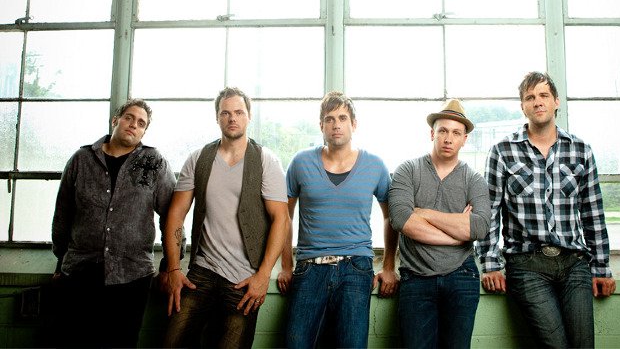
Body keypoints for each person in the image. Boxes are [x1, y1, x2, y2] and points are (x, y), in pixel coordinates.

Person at [477, 71, 616, 348]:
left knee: (583, 345)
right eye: (530, 97)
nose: (537, 102)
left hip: (575, 262)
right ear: (523, 106)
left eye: (543, 95)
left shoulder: (581, 150)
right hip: (526, 264)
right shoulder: (503, 151)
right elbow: (489, 211)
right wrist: (490, 264)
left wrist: (601, 267)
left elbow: (592, 212)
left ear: (556, 101)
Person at [163, 87, 290, 349]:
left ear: (249, 116)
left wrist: (263, 275)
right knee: (172, 342)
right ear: (217, 117)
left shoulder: (266, 160)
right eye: (225, 113)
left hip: (244, 279)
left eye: (239, 112)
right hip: (201, 272)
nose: (232, 118)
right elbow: (176, 213)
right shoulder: (198, 158)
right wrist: (174, 269)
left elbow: (282, 219)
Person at [277, 91, 399, 348]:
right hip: (309, 268)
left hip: (356, 268)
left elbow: (390, 217)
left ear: (354, 124)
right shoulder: (300, 162)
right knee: (295, 343)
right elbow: (284, 216)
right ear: (321, 125)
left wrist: (388, 267)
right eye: (329, 119)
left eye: (342, 118)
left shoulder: (375, 165)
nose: (336, 125)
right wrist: (286, 266)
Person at [51, 98, 176, 348]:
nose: (134, 125)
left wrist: (168, 266)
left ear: (144, 132)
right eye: (129, 118)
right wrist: (60, 260)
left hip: (132, 276)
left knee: (122, 342)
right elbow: (63, 213)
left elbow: (172, 217)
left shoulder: (154, 162)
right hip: (80, 272)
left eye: (141, 123)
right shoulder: (81, 159)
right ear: (115, 120)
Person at [388, 98, 490, 349]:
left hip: (462, 276)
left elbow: (479, 227)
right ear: (432, 133)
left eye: (456, 133)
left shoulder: (474, 179)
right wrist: (457, 234)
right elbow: (401, 219)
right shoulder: (407, 170)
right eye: (443, 131)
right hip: (416, 276)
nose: (448, 138)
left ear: (464, 139)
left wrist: (423, 213)